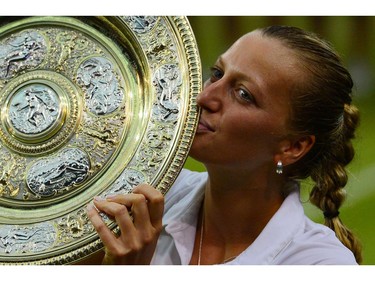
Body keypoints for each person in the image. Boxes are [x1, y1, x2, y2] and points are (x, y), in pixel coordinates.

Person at [86, 25, 362, 265]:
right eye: (217, 74)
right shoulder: (143, 194)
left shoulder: (320, 264)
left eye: (243, 94)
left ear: (294, 146)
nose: (205, 96)